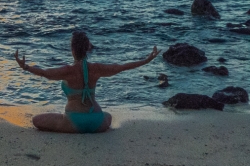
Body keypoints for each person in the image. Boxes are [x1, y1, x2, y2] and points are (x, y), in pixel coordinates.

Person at [14, 31, 160, 133]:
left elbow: (45, 73)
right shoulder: (96, 68)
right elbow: (121, 67)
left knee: (36, 120)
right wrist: (147, 60)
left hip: (74, 121)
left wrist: (25, 67)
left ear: (72, 49)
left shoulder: (68, 70)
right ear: (87, 49)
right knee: (108, 116)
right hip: (97, 122)